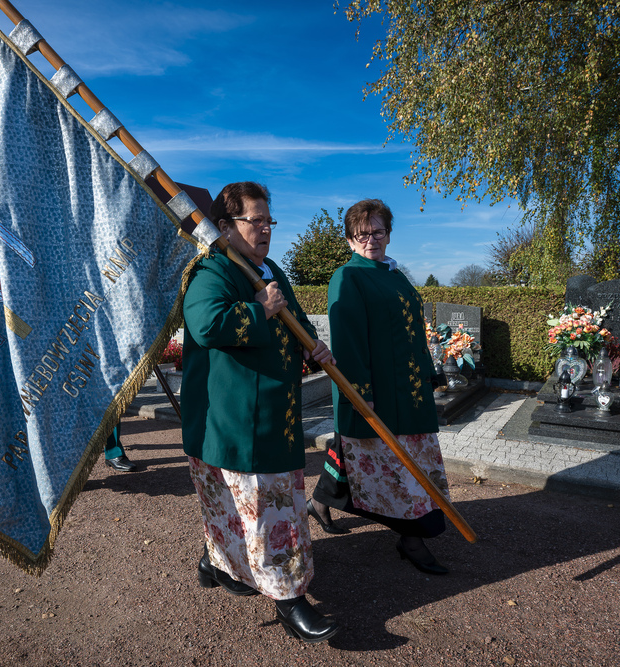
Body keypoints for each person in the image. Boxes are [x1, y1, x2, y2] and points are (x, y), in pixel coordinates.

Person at [182, 182, 340, 643]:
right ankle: (290, 601)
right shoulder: (212, 270)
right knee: (269, 513)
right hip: (234, 421)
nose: (266, 229)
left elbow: (294, 320)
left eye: (270, 221)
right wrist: (259, 309)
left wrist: (312, 347)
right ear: (226, 227)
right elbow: (207, 323)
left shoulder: (270, 269)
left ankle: (217, 563)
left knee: (251, 508)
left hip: (276, 415)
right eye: (257, 221)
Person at [309, 198, 451, 576]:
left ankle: (321, 500)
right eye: (361, 233)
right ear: (350, 240)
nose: (370, 238)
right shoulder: (348, 276)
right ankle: (411, 538)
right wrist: (361, 394)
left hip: (410, 390)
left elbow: (413, 331)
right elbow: (349, 340)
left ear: (388, 234)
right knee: (397, 468)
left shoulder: (395, 273)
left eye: (377, 231)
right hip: (378, 392)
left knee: (382, 457)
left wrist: (430, 372)